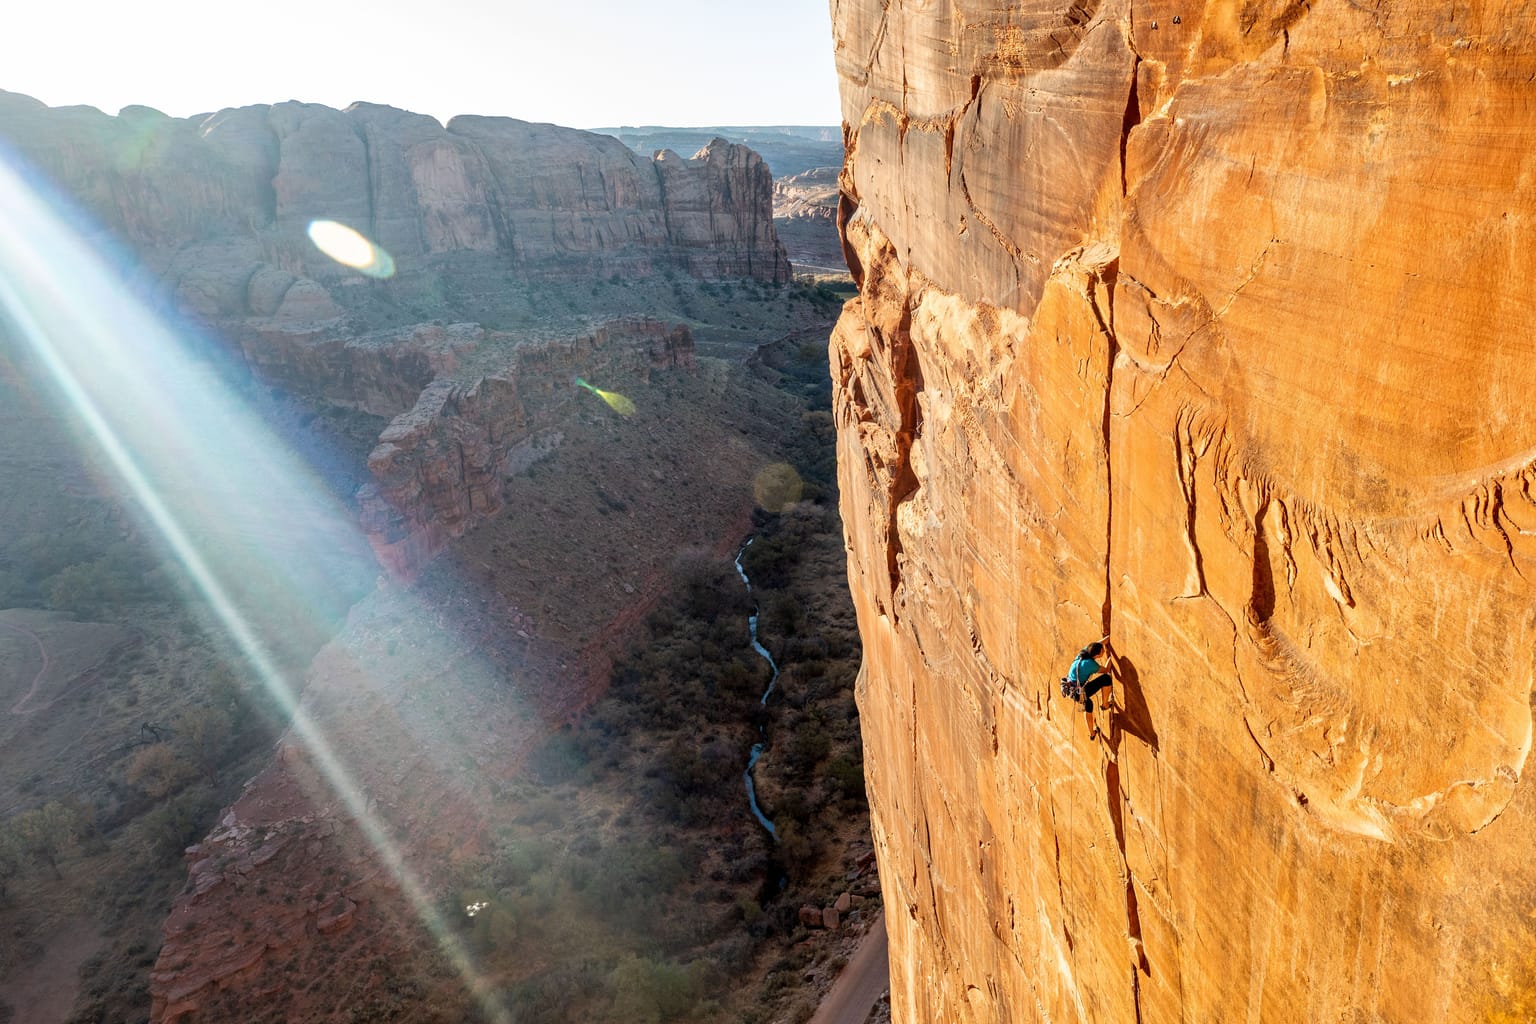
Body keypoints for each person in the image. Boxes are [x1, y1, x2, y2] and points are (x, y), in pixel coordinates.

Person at [1064, 637, 1113, 712]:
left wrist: (1108, 637)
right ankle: (1105, 705)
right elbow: (1106, 670)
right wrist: (1111, 658)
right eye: (1102, 651)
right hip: (1078, 692)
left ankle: (1086, 705)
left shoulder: (1085, 652)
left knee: (1088, 704)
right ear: (1097, 655)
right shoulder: (1090, 664)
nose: (1104, 650)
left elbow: (1097, 644)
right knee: (1106, 679)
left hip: (1070, 686)